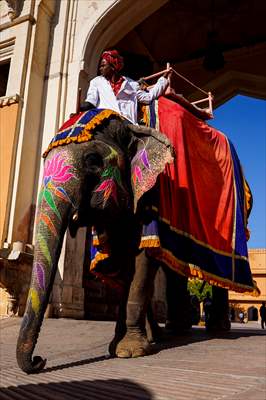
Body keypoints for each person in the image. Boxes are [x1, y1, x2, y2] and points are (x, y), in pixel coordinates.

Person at [81, 49, 172, 124]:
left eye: (103, 66)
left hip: (129, 124)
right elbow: (90, 102)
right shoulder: (96, 82)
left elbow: (148, 98)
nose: (100, 69)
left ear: (113, 67)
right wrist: (80, 109)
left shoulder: (132, 84)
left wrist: (163, 79)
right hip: (106, 123)